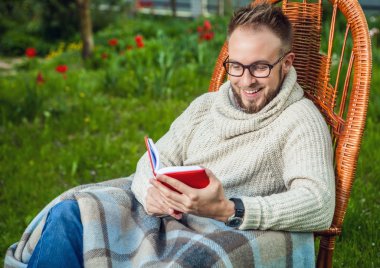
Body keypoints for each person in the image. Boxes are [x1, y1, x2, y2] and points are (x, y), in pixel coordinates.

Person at [5, 3, 335, 268]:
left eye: (260, 67)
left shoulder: (300, 119)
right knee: (69, 213)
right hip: (166, 215)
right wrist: (151, 192)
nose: (246, 81)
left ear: (287, 63)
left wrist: (228, 209)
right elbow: (156, 159)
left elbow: (318, 203)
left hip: (224, 228)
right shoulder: (207, 106)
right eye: (236, 66)